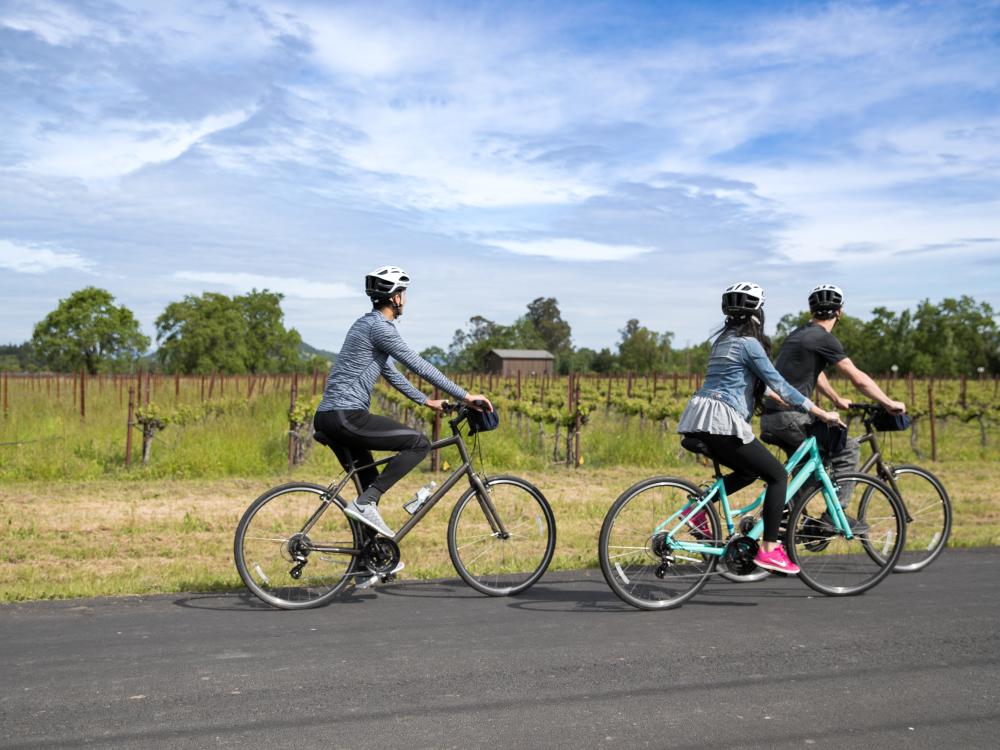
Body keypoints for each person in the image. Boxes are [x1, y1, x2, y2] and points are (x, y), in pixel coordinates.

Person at [314, 265, 493, 549]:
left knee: (370, 481)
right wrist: (466, 395)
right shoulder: (380, 328)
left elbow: (391, 372)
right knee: (418, 443)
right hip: (345, 415)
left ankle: (366, 563)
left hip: (329, 416)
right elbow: (416, 363)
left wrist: (425, 400)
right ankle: (365, 503)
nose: (405, 299)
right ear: (395, 297)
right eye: (404, 293)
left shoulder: (365, 325)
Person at [676, 282, 843, 575]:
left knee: (749, 471)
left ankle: (696, 509)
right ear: (757, 312)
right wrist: (819, 412)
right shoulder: (750, 345)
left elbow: (764, 389)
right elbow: (779, 383)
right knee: (778, 476)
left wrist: (793, 404)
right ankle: (769, 551)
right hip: (723, 421)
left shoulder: (723, 342)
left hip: (697, 418)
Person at [760, 284, 905, 529]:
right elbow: (857, 377)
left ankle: (787, 522)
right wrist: (889, 403)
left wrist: (836, 398)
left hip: (772, 416)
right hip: (791, 416)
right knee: (847, 448)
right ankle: (832, 518)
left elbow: (812, 373)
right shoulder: (824, 338)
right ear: (840, 312)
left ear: (812, 310)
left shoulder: (798, 334)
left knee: (807, 470)